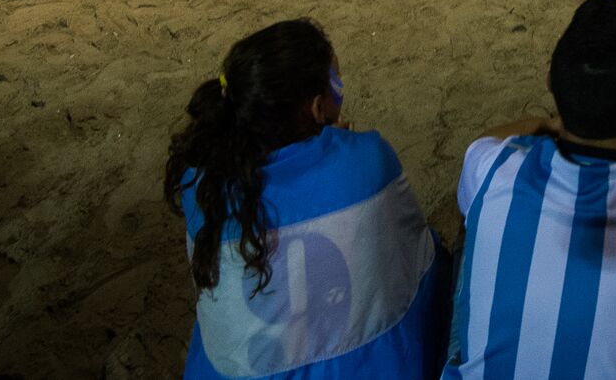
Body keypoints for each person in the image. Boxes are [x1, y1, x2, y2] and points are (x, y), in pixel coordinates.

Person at [164, 19, 450, 379]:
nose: (340, 90)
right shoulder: (367, 161)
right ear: (317, 109)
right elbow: (416, 255)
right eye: (336, 84)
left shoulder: (200, 180)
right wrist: (340, 150)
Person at [442, 0, 616, 379]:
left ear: (550, 82)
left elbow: (481, 146)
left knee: (473, 227)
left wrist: (543, 125)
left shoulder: (494, 170)